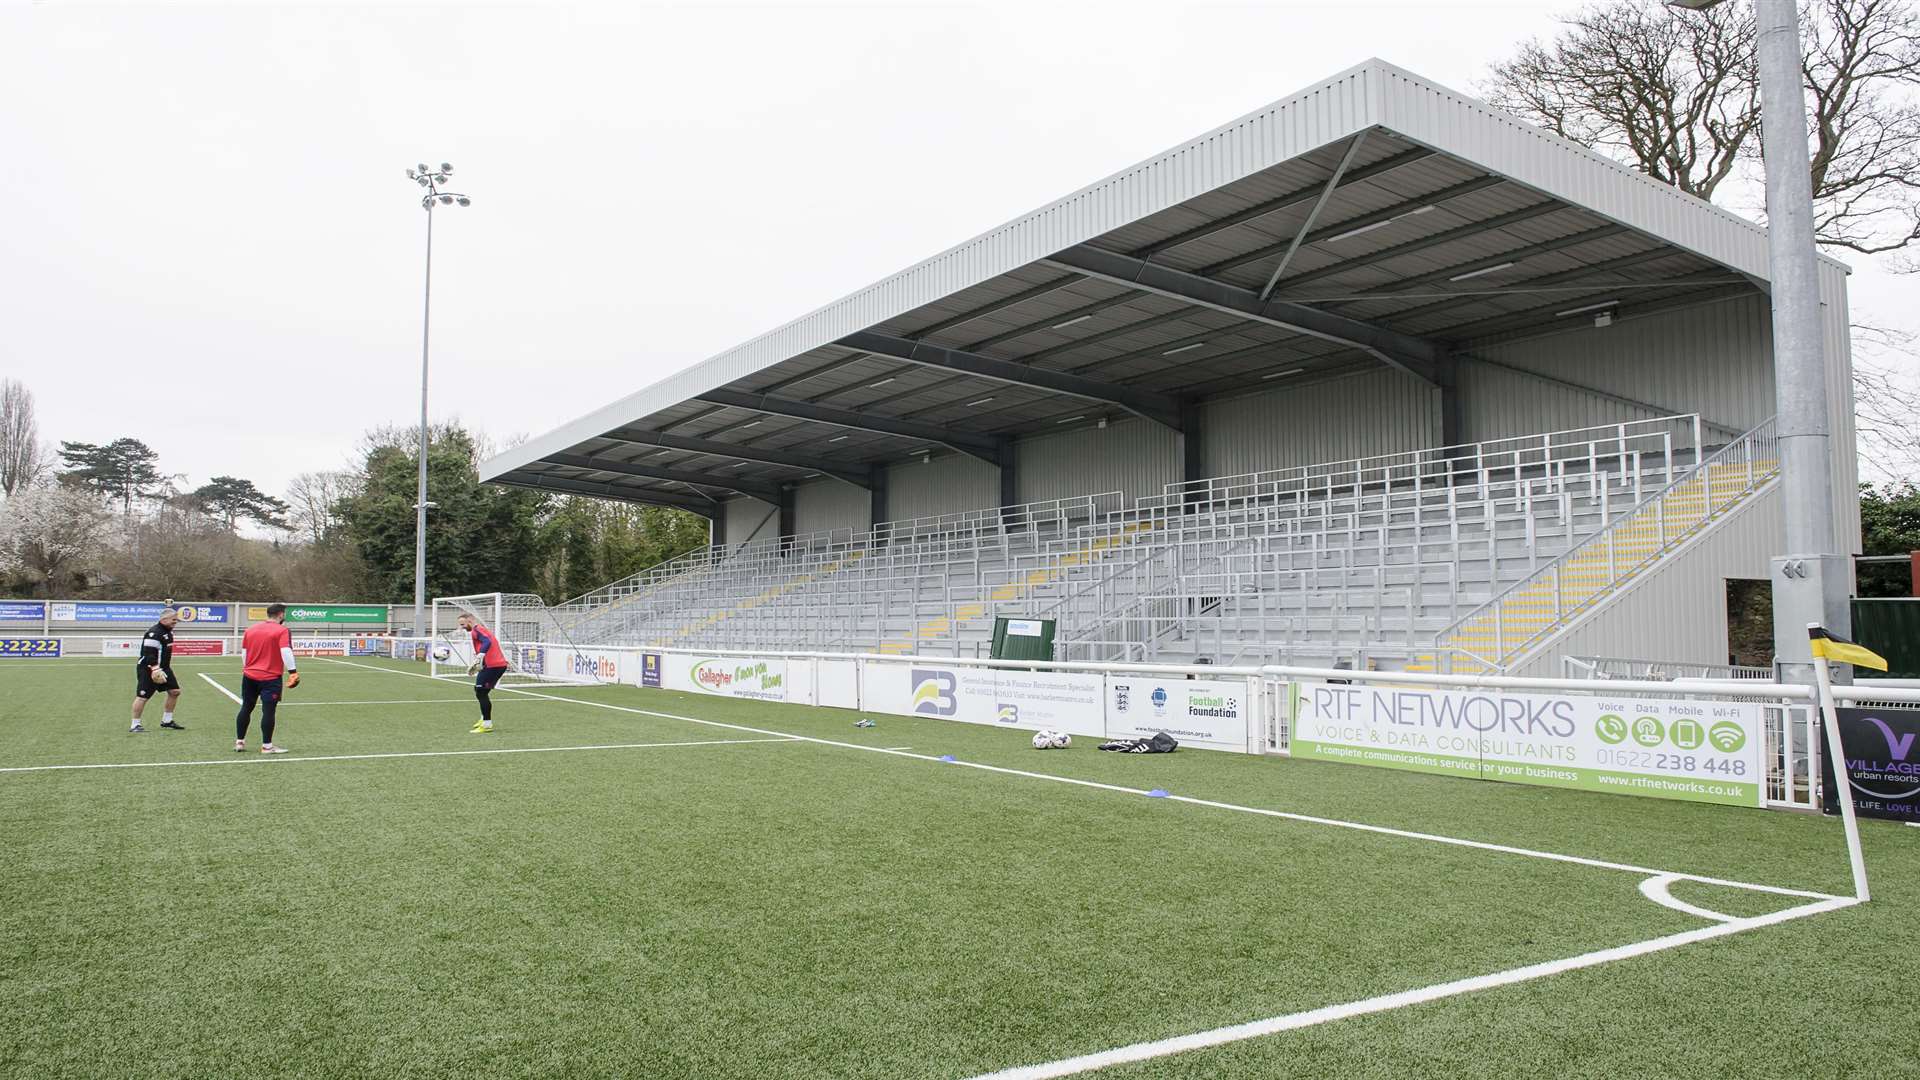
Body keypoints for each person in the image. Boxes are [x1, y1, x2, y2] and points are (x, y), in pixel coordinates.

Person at [236, 603, 300, 754]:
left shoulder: (250, 630)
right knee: (268, 711)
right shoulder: (282, 630)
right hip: (270, 677)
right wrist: (293, 672)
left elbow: (244, 653)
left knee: (246, 707)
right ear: (281, 615)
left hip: (249, 676)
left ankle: (240, 742)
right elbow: (286, 651)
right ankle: (267, 746)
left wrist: (248, 668)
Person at [130, 608, 186, 733]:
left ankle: (167, 721)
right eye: (173, 619)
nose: (175, 622)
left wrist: (163, 668)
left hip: (164, 668)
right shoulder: (154, 632)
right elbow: (148, 653)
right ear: (164, 619)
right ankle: (135, 725)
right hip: (149, 668)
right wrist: (155, 669)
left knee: (175, 692)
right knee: (142, 696)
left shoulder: (168, 632)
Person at [457, 611, 510, 734]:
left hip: (493, 666)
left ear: (470, 621)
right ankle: (483, 719)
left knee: (481, 692)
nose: (462, 627)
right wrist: (478, 662)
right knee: (479, 691)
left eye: (463, 624)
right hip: (494, 665)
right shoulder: (479, 629)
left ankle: (487, 724)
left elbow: (487, 642)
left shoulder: (477, 630)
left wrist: (481, 655)